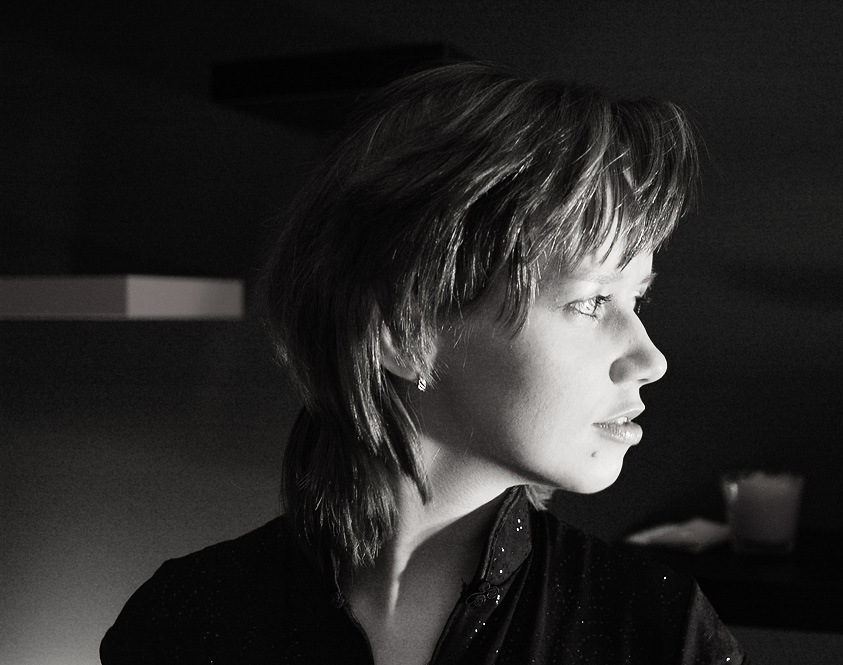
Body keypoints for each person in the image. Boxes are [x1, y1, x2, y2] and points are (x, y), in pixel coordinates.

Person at [101, 62, 744, 665]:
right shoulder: (183, 624)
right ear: (404, 333)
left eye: (637, 299)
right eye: (591, 301)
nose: (650, 359)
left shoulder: (658, 633)